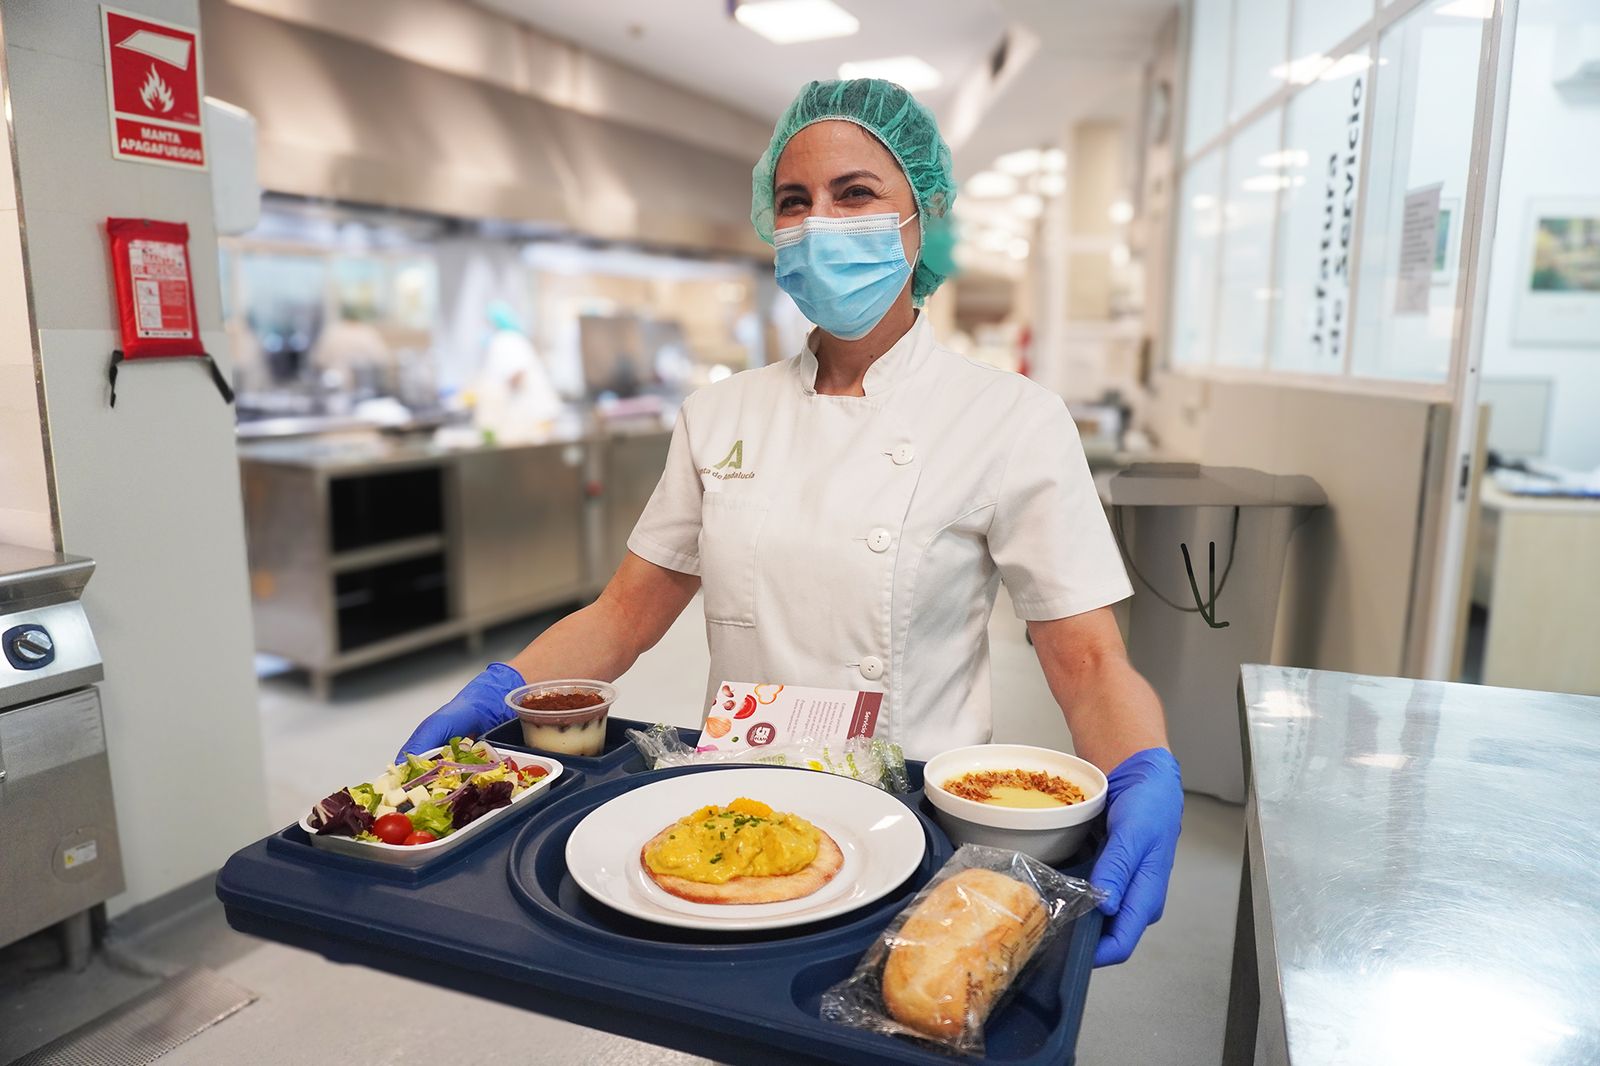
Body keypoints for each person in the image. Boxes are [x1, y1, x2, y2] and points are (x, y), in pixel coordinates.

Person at [401, 80, 1182, 967]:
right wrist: (501, 690)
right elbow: (623, 616)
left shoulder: (1009, 418)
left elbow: (1088, 661)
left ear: (923, 217)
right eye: (794, 201)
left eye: (855, 193)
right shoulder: (719, 414)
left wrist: (1141, 767)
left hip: (915, 819)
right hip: (732, 810)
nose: (820, 224)